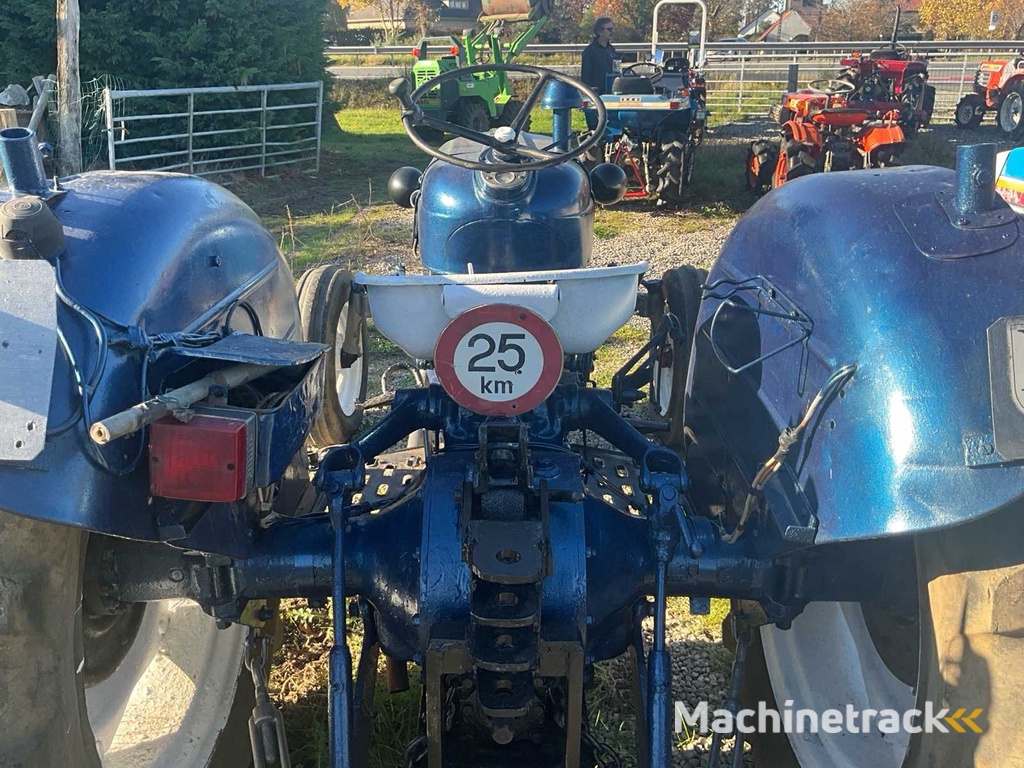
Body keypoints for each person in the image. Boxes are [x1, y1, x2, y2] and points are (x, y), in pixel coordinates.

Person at [581, 17, 617, 131]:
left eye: (612, 29)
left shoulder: (611, 50)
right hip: (596, 94)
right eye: (609, 29)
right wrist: (590, 92)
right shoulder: (589, 51)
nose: (612, 32)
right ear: (600, 32)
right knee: (595, 126)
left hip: (611, 93)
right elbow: (586, 74)